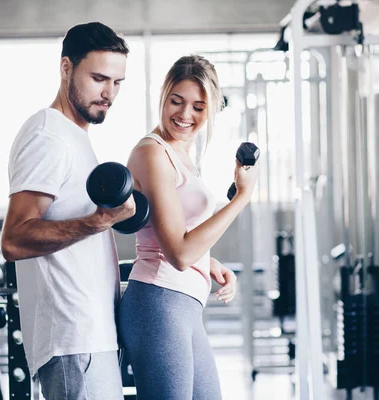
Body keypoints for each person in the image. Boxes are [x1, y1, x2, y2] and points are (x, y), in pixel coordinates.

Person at [0, 22, 135, 400]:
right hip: (74, 337)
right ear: (65, 68)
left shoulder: (75, 136)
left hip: (90, 335)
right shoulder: (48, 135)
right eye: (98, 78)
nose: (109, 93)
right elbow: (13, 239)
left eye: (118, 82)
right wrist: (97, 222)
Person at [118, 55, 259, 399]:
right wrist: (240, 198)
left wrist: (207, 262)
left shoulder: (180, 152)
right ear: (163, 97)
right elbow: (178, 254)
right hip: (157, 303)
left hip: (184, 306)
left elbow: (170, 232)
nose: (185, 115)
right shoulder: (153, 153)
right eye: (176, 102)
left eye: (198, 106)